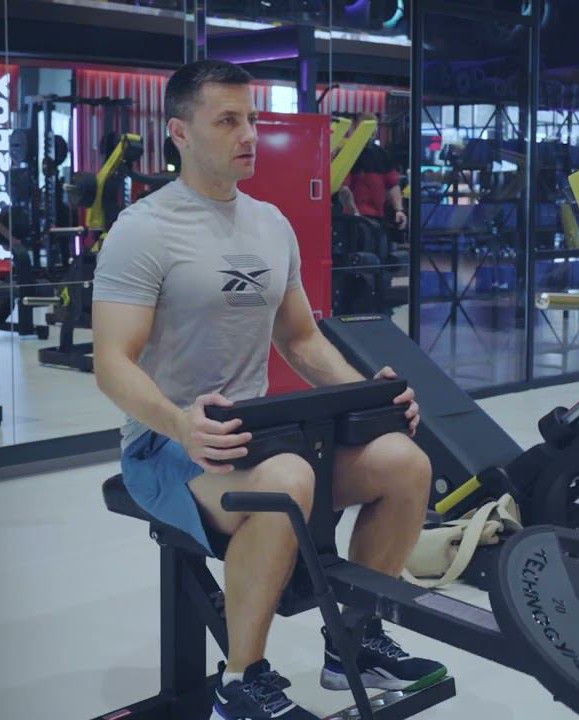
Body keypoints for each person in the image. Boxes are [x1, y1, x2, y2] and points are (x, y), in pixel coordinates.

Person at [91, 60, 447, 720]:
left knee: (405, 463)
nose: (249, 135)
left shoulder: (270, 223)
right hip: (164, 449)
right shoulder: (144, 229)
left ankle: (354, 643)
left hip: (258, 436)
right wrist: (179, 422)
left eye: (250, 119)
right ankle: (240, 681)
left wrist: (369, 398)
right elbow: (112, 362)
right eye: (227, 121)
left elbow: (302, 340)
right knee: (286, 479)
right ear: (179, 132)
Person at [337, 113, 407, 230]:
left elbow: (392, 185)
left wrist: (399, 210)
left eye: (373, 130)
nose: (372, 134)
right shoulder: (347, 153)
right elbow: (343, 188)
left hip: (376, 218)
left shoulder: (381, 155)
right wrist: (355, 215)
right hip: (354, 220)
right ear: (356, 129)